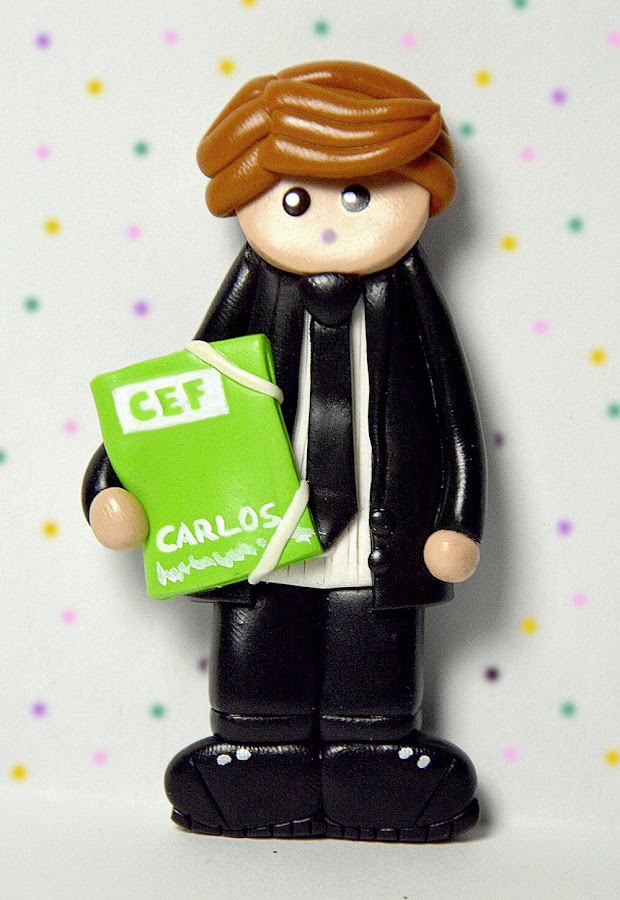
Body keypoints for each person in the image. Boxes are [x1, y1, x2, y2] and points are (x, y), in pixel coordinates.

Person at [83, 60, 485, 842]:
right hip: (260, 532)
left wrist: (458, 521)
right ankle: (256, 754)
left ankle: (374, 756)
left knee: (374, 659)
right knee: (259, 656)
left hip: (378, 539)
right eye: (297, 200)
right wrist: (111, 483)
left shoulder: (411, 304)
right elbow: (178, 396)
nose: (331, 223)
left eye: (361, 194)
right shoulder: (250, 297)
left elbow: (454, 421)